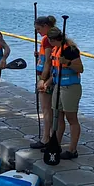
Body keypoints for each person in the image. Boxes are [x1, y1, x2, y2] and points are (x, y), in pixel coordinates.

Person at [43, 26, 84, 160]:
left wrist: (67, 62)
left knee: (71, 118)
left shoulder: (70, 50)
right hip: (58, 87)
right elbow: (56, 71)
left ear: (53, 39)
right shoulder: (56, 50)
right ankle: (55, 145)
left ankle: (72, 150)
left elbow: (80, 68)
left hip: (70, 88)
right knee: (57, 116)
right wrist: (48, 81)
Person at [30, 15, 57, 150]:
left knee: (46, 110)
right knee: (49, 109)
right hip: (49, 76)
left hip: (45, 77)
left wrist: (42, 80)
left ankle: (46, 138)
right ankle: (50, 136)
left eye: (39, 29)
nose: (38, 32)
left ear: (46, 27)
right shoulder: (52, 38)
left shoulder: (47, 40)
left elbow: (48, 61)